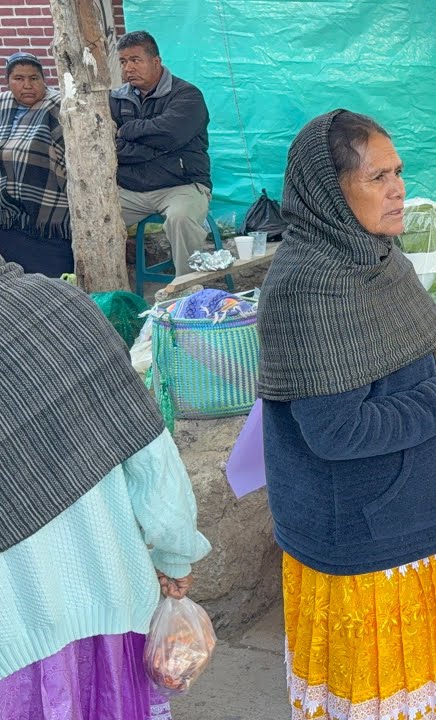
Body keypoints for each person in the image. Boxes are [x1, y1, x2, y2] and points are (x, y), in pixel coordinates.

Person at [256, 110, 436, 719]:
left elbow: (421, 338)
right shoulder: (308, 287)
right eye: (377, 177)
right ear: (330, 191)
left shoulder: (379, 256)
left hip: (417, 508)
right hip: (371, 538)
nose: (398, 188)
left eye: (397, 172)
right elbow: (337, 431)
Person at [0, 258, 211, 718]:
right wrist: (174, 555)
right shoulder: (64, 309)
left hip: (12, 635)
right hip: (112, 605)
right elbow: (151, 457)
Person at [109, 31, 212, 278]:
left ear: (156, 61)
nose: (128, 68)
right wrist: (153, 147)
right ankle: (106, 287)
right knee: (93, 217)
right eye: (123, 61)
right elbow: (108, 147)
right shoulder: (115, 99)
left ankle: (188, 290)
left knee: (180, 218)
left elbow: (171, 136)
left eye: (136, 59)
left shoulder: (187, 95)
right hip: (131, 189)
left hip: (181, 186)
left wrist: (128, 130)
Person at [0, 52, 71, 277]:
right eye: (18, 79)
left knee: (52, 278)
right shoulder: (3, 105)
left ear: (44, 80)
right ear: (8, 81)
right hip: (8, 217)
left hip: (49, 217)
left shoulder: (58, 105)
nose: (27, 85)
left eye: (34, 78)